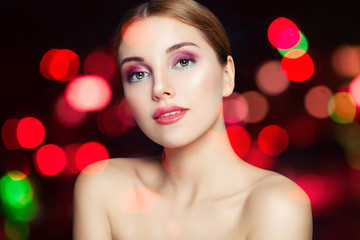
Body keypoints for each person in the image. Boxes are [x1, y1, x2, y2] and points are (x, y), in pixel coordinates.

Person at [73, 0, 313, 239]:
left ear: (227, 76)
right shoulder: (104, 187)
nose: (159, 88)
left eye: (183, 62)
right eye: (138, 74)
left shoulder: (275, 205)